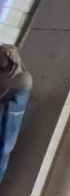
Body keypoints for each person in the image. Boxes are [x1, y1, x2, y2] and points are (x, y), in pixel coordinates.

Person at [0, 43, 33, 185]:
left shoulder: (23, 78)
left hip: (6, 119)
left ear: (10, 57)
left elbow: (18, 101)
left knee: (3, 149)